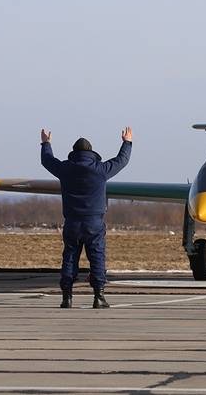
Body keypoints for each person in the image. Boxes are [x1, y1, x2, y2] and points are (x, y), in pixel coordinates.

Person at [40, 127, 133, 309]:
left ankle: (67, 297)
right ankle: (99, 297)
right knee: (97, 258)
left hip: (72, 222)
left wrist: (46, 143)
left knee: (70, 258)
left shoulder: (65, 169)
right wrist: (127, 142)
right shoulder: (101, 170)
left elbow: (47, 161)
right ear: (91, 153)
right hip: (94, 223)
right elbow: (122, 161)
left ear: (74, 153)